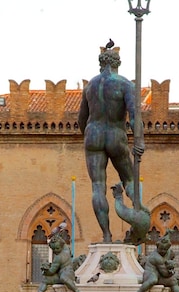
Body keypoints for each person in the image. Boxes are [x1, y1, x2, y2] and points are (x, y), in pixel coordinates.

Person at [77, 45, 145, 243]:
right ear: (118, 63)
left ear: (101, 63)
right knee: (129, 180)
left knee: (98, 187)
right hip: (116, 135)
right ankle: (138, 216)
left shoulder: (90, 86)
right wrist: (139, 140)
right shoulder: (125, 85)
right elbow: (134, 117)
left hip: (93, 135)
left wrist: (89, 136)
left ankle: (106, 236)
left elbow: (82, 119)